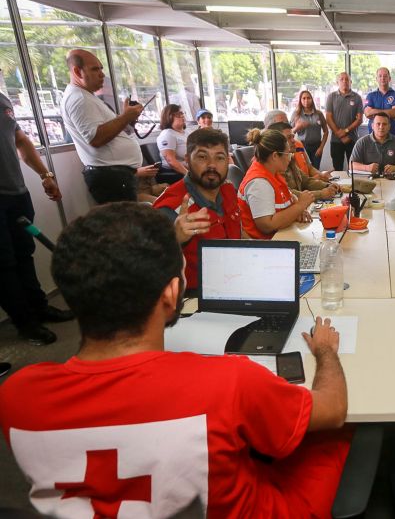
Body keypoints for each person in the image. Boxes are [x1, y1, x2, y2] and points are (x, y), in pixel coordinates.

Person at [0, 202, 351, 518]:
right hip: (270, 507)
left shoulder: (16, 395)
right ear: (171, 294)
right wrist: (325, 352)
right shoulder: (228, 381)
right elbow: (333, 409)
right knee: (338, 432)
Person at [0, 92, 73, 345]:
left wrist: (45, 175)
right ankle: (25, 323)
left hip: (17, 193)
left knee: (24, 253)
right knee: (4, 265)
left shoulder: (3, 100)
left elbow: (20, 140)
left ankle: (39, 307)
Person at [60, 49, 157, 204]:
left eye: (101, 69)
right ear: (77, 71)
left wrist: (128, 119)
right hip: (111, 177)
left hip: (118, 175)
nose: (102, 74)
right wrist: (125, 116)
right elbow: (96, 138)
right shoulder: (78, 99)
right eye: (94, 69)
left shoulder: (87, 97)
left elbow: (110, 133)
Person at [153, 128, 241, 292]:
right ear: (187, 160)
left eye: (220, 158)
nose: (212, 165)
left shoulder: (228, 190)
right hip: (195, 297)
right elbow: (148, 268)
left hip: (235, 281)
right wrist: (176, 240)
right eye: (202, 157)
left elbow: (240, 234)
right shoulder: (171, 208)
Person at [238, 128, 314, 239]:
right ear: (274, 156)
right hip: (265, 248)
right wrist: (300, 206)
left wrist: (296, 212)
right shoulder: (259, 183)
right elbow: (267, 225)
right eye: (287, 154)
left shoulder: (273, 173)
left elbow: (286, 204)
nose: (290, 158)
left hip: (281, 237)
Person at [268, 121, 338, 201]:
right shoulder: (273, 165)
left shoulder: (290, 158)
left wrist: (327, 186)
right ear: (276, 142)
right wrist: (321, 194)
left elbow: (305, 181)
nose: (294, 141)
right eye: (288, 138)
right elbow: (288, 193)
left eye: (293, 137)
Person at [266, 109, 332, 181]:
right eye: (281, 123)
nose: (286, 125)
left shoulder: (297, 144)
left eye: (287, 122)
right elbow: (289, 187)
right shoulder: (271, 155)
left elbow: (309, 167)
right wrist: (314, 179)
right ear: (270, 129)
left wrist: (321, 175)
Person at [325, 72, 363, 171]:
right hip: (336, 140)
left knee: (354, 169)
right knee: (337, 169)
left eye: (347, 79)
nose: (344, 81)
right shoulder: (331, 97)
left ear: (351, 82)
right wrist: (339, 134)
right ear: (337, 82)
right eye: (341, 79)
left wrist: (345, 132)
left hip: (352, 139)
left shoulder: (357, 98)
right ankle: (338, 187)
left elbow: (359, 119)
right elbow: (328, 118)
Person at [290, 90, 328, 170]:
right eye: (303, 98)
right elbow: (289, 133)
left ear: (312, 99)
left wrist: (321, 147)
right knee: (304, 170)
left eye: (308, 98)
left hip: (317, 146)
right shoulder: (296, 114)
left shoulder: (319, 114)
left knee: (316, 169)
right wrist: (297, 127)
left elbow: (326, 131)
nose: (306, 100)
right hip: (302, 146)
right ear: (300, 100)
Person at [364, 67, 395, 136]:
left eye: (385, 76)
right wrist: (389, 112)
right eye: (380, 76)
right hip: (373, 138)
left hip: (392, 137)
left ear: (389, 78)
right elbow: (367, 113)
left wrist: (374, 111)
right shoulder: (370, 96)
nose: (382, 78)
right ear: (376, 79)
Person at [156, 104, 188, 180]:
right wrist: (189, 175)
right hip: (176, 172)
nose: (182, 116)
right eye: (178, 114)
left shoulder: (186, 133)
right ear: (169, 117)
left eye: (182, 113)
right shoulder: (167, 134)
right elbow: (171, 161)